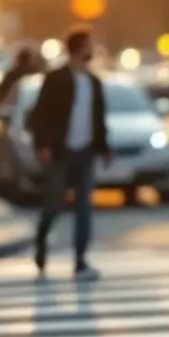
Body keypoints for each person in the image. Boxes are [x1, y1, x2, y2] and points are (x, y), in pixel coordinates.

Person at [28, 25, 110, 281]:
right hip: (60, 152)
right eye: (88, 44)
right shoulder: (56, 79)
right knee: (54, 203)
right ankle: (41, 240)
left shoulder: (94, 83)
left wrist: (104, 147)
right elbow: (39, 116)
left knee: (84, 207)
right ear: (77, 49)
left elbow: (98, 120)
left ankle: (80, 261)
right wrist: (43, 146)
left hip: (85, 152)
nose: (92, 49)